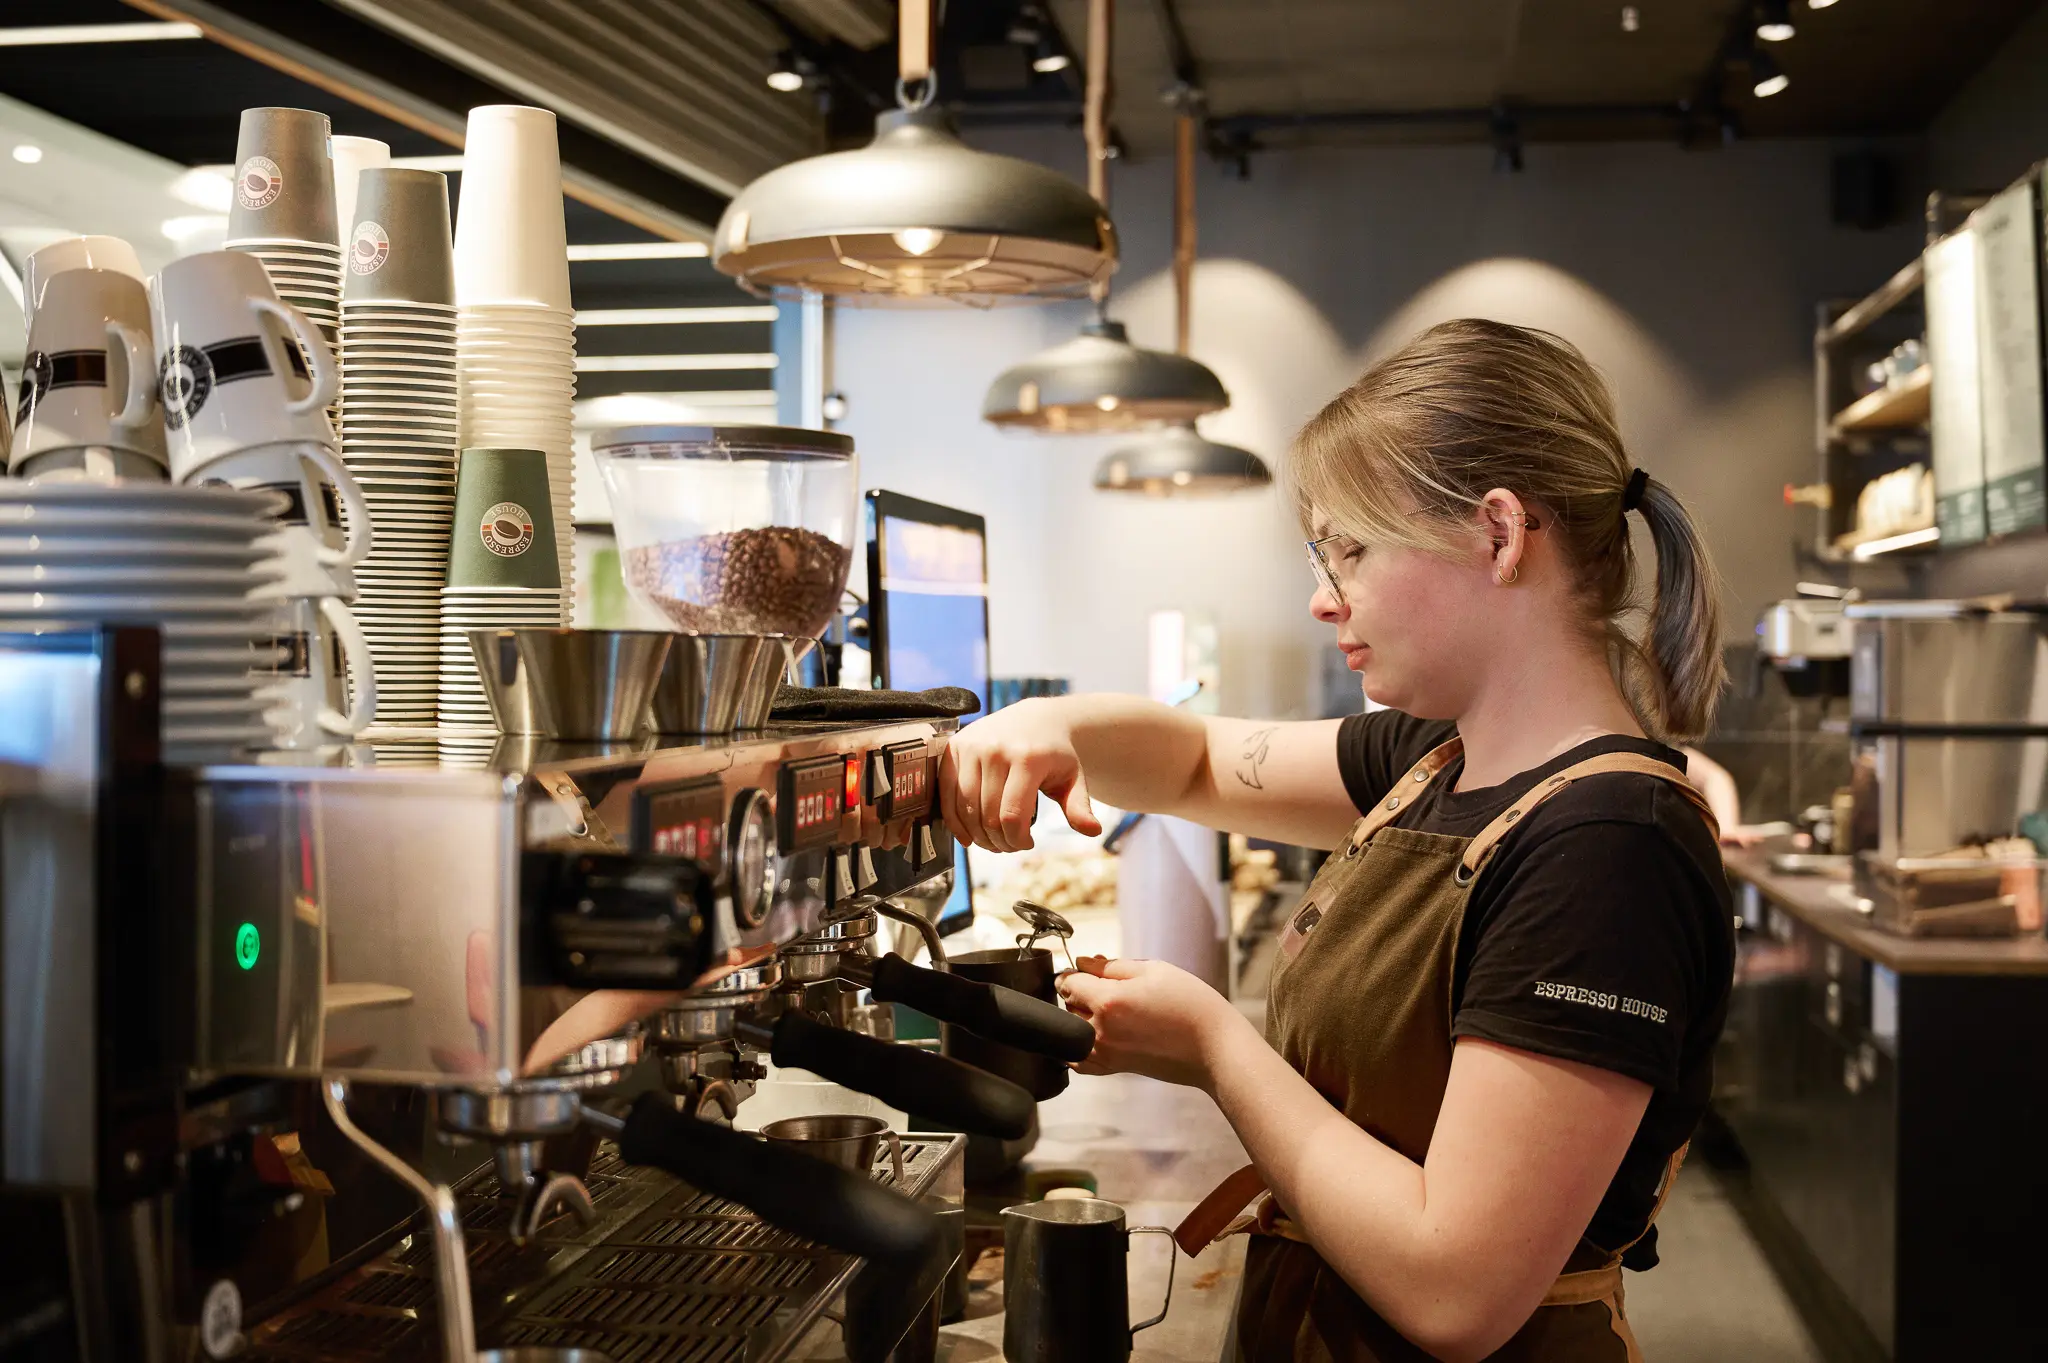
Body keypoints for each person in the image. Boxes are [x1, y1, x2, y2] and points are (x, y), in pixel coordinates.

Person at [940, 319, 1734, 1363]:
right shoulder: (1434, 760)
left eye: (1349, 550)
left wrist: (1215, 1048)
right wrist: (1049, 725)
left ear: (1499, 535)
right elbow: (1192, 762)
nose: (1323, 598)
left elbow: (1456, 1291)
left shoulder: (1608, 850)